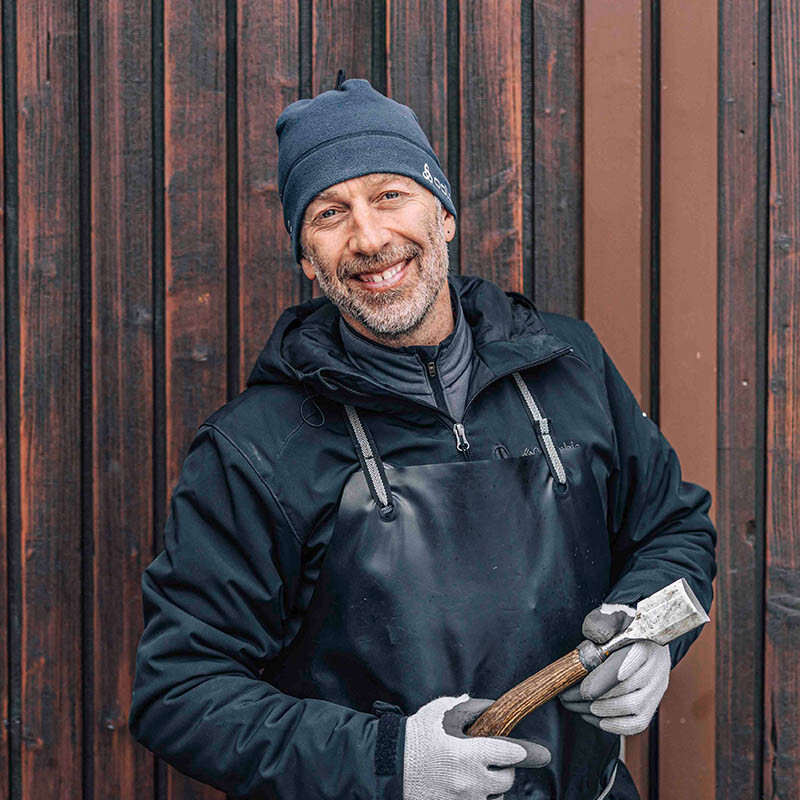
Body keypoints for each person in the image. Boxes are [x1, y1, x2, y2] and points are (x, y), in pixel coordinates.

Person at [129, 73, 716, 800]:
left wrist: (650, 636)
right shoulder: (252, 450)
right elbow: (180, 695)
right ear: (309, 260)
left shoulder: (570, 365)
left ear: (444, 215)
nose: (370, 237)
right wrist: (386, 761)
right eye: (329, 212)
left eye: (389, 194)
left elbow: (675, 528)